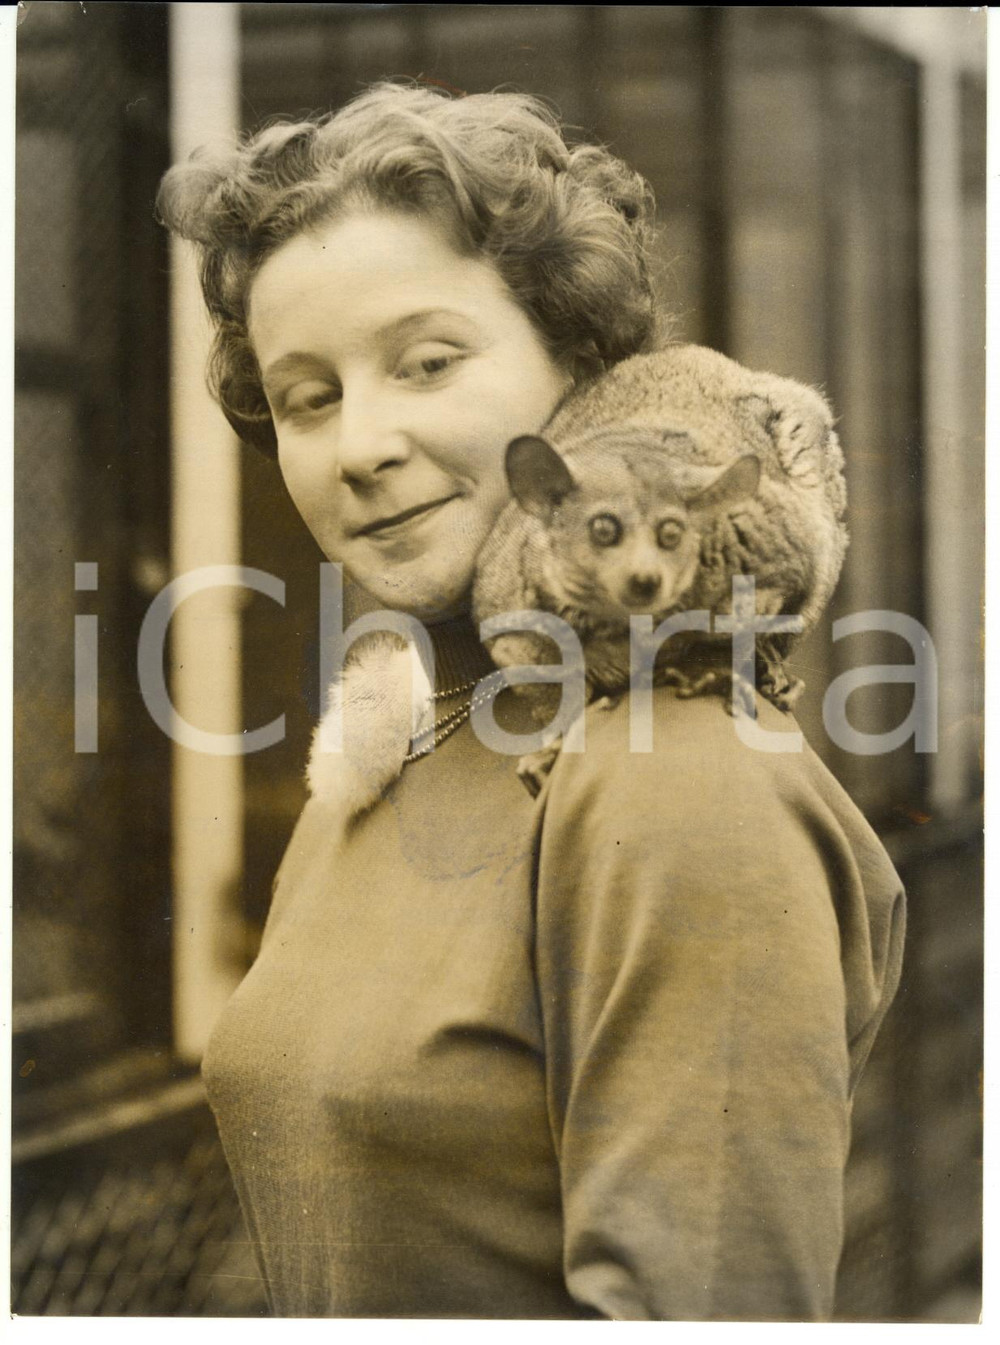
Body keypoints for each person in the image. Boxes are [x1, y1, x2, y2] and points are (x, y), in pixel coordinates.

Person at [157, 82, 905, 1321]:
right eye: (308, 397)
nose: (360, 445)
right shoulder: (391, 742)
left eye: (427, 362)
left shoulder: (668, 775)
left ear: (582, 366)